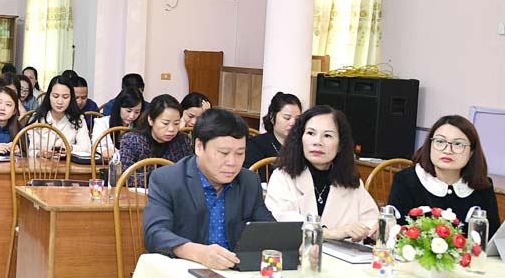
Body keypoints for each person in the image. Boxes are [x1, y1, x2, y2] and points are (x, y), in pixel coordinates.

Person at [143, 109, 275, 268]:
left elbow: (269, 229)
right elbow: (155, 233)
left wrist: (293, 245)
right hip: (186, 272)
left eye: (240, 153)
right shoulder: (167, 180)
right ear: (199, 146)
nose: (232, 162)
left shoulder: (248, 181)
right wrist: (198, 253)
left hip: (236, 274)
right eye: (223, 153)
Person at [264, 106, 378, 240]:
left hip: (342, 259)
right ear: (300, 138)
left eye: (328, 135)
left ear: (340, 144)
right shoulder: (282, 177)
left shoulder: (351, 181)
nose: (317, 142)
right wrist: (331, 233)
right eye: (311, 133)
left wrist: (378, 230)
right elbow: (285, 226)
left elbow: (371, 221)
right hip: (299, 257)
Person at [387, 115, 501, 233]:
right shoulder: (406, 180)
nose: (447, 150)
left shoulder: (483, 186)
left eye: (458, 144)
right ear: (430, 145)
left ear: (471, 151)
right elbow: (395, 234)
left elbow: (492, 238)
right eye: (440, 141)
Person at [118, 94, 193, 169]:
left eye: (176, 123)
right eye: (165, 123)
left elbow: (189, 171)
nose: (172, 129)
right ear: (150, 120)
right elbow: (126, 175)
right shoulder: (133, 140)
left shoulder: (182, 140)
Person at [27, 76, 91, 156]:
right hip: (41, 166)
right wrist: (40, 153)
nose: (60, 102)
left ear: (71, 98)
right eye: (56, 96)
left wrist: (70, 148)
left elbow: (87, 148)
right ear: (49, 96)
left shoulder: (78, 119)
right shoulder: (37, 118)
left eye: (65, 97)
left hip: (68, 166)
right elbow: (28, 150)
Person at [245, 92, 303, 169]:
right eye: (287, 118)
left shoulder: (302, 144)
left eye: (297, 119)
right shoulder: (256, 145)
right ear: (272, 118)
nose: (293, 123)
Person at [91, 87, 144, 158]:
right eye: (128, 111)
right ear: (119, 107)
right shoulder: (102, 123)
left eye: (137, 112)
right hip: (105, 166)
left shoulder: (140, 126)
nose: (132, 116)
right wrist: (125, 154)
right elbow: (98, 148)